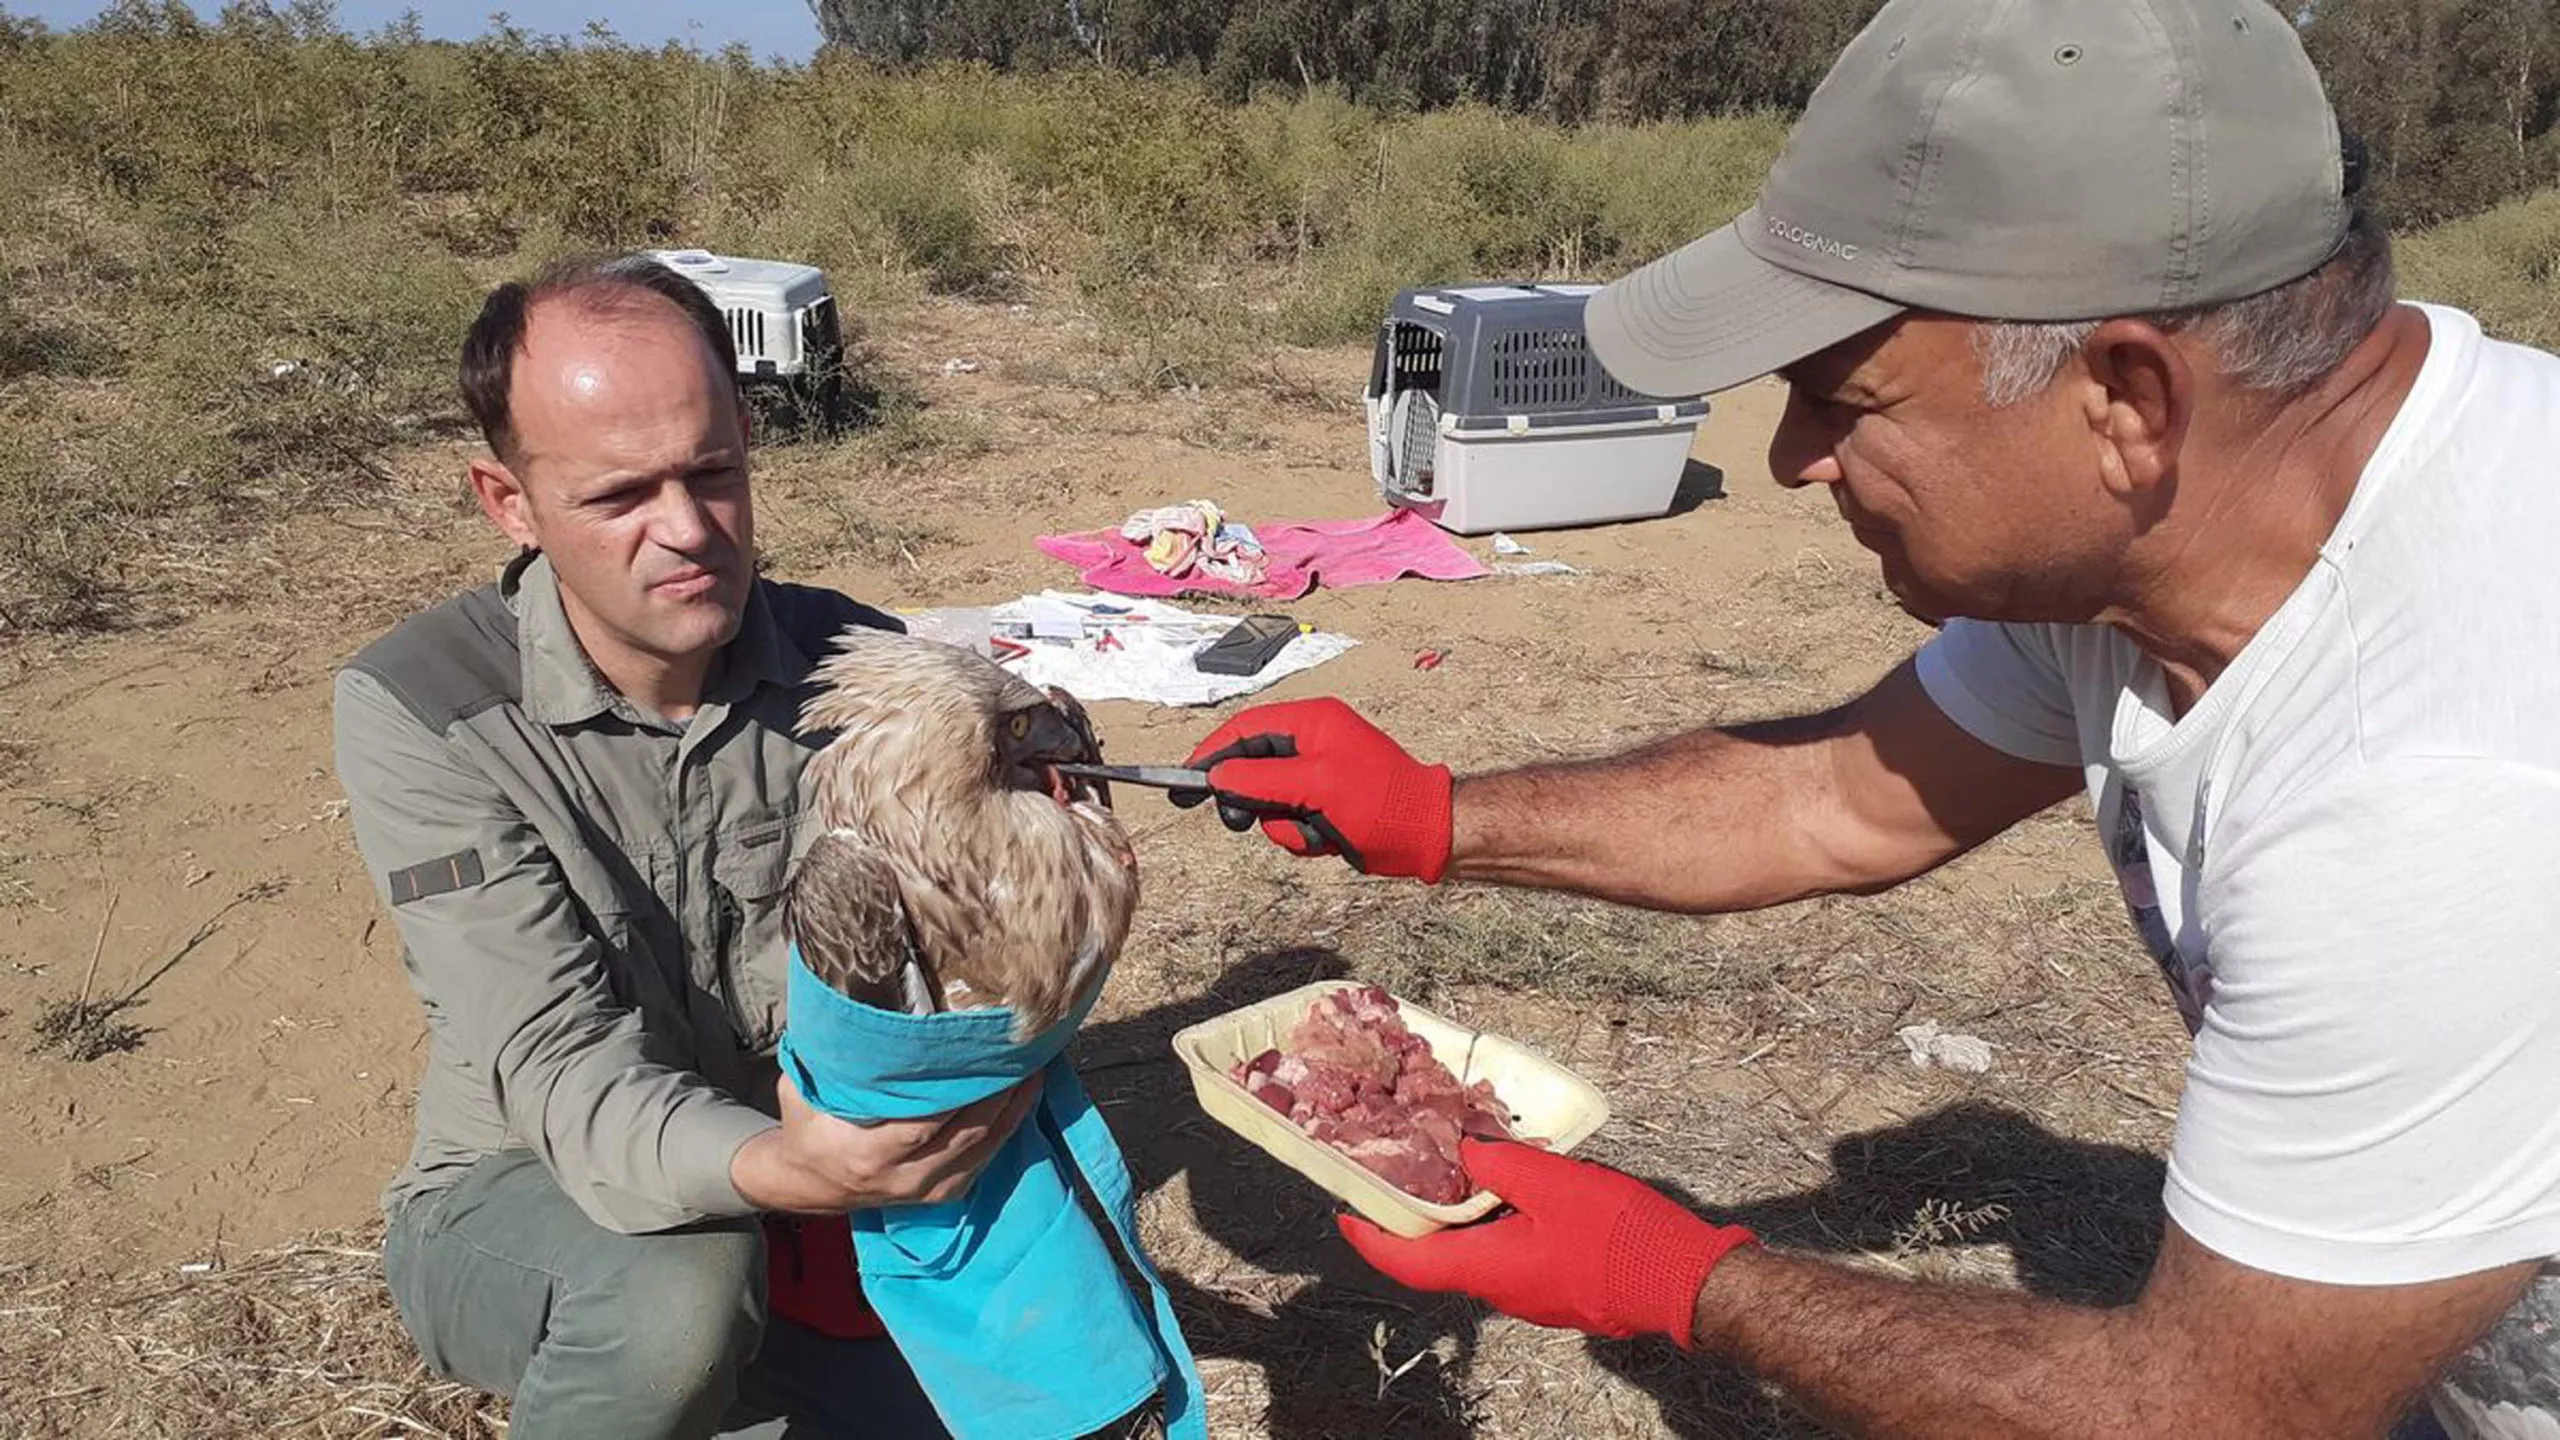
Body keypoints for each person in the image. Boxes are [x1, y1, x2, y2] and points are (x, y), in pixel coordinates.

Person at [1181, 1, 2560, 1436]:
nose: (1789, 460)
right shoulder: (2172, 541)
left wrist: (1683, 1281)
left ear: (2128, 398)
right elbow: (1838, 796)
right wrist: (1439, 816)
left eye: (1844, 401)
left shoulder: (2445, 782)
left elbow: (2207, 1415)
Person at [332, 254, 1040, 1440]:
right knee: (680, 1303)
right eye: (619, 497)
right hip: (538, 1185)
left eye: (713, 472)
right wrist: (800, 1175)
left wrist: (1039, 796)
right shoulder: (426, 706)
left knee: (1018, 1384)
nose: (687, 531)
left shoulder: (856, 672)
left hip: (807, 1188)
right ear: (507, 502)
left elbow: (958, 950)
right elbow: (559, 1068)